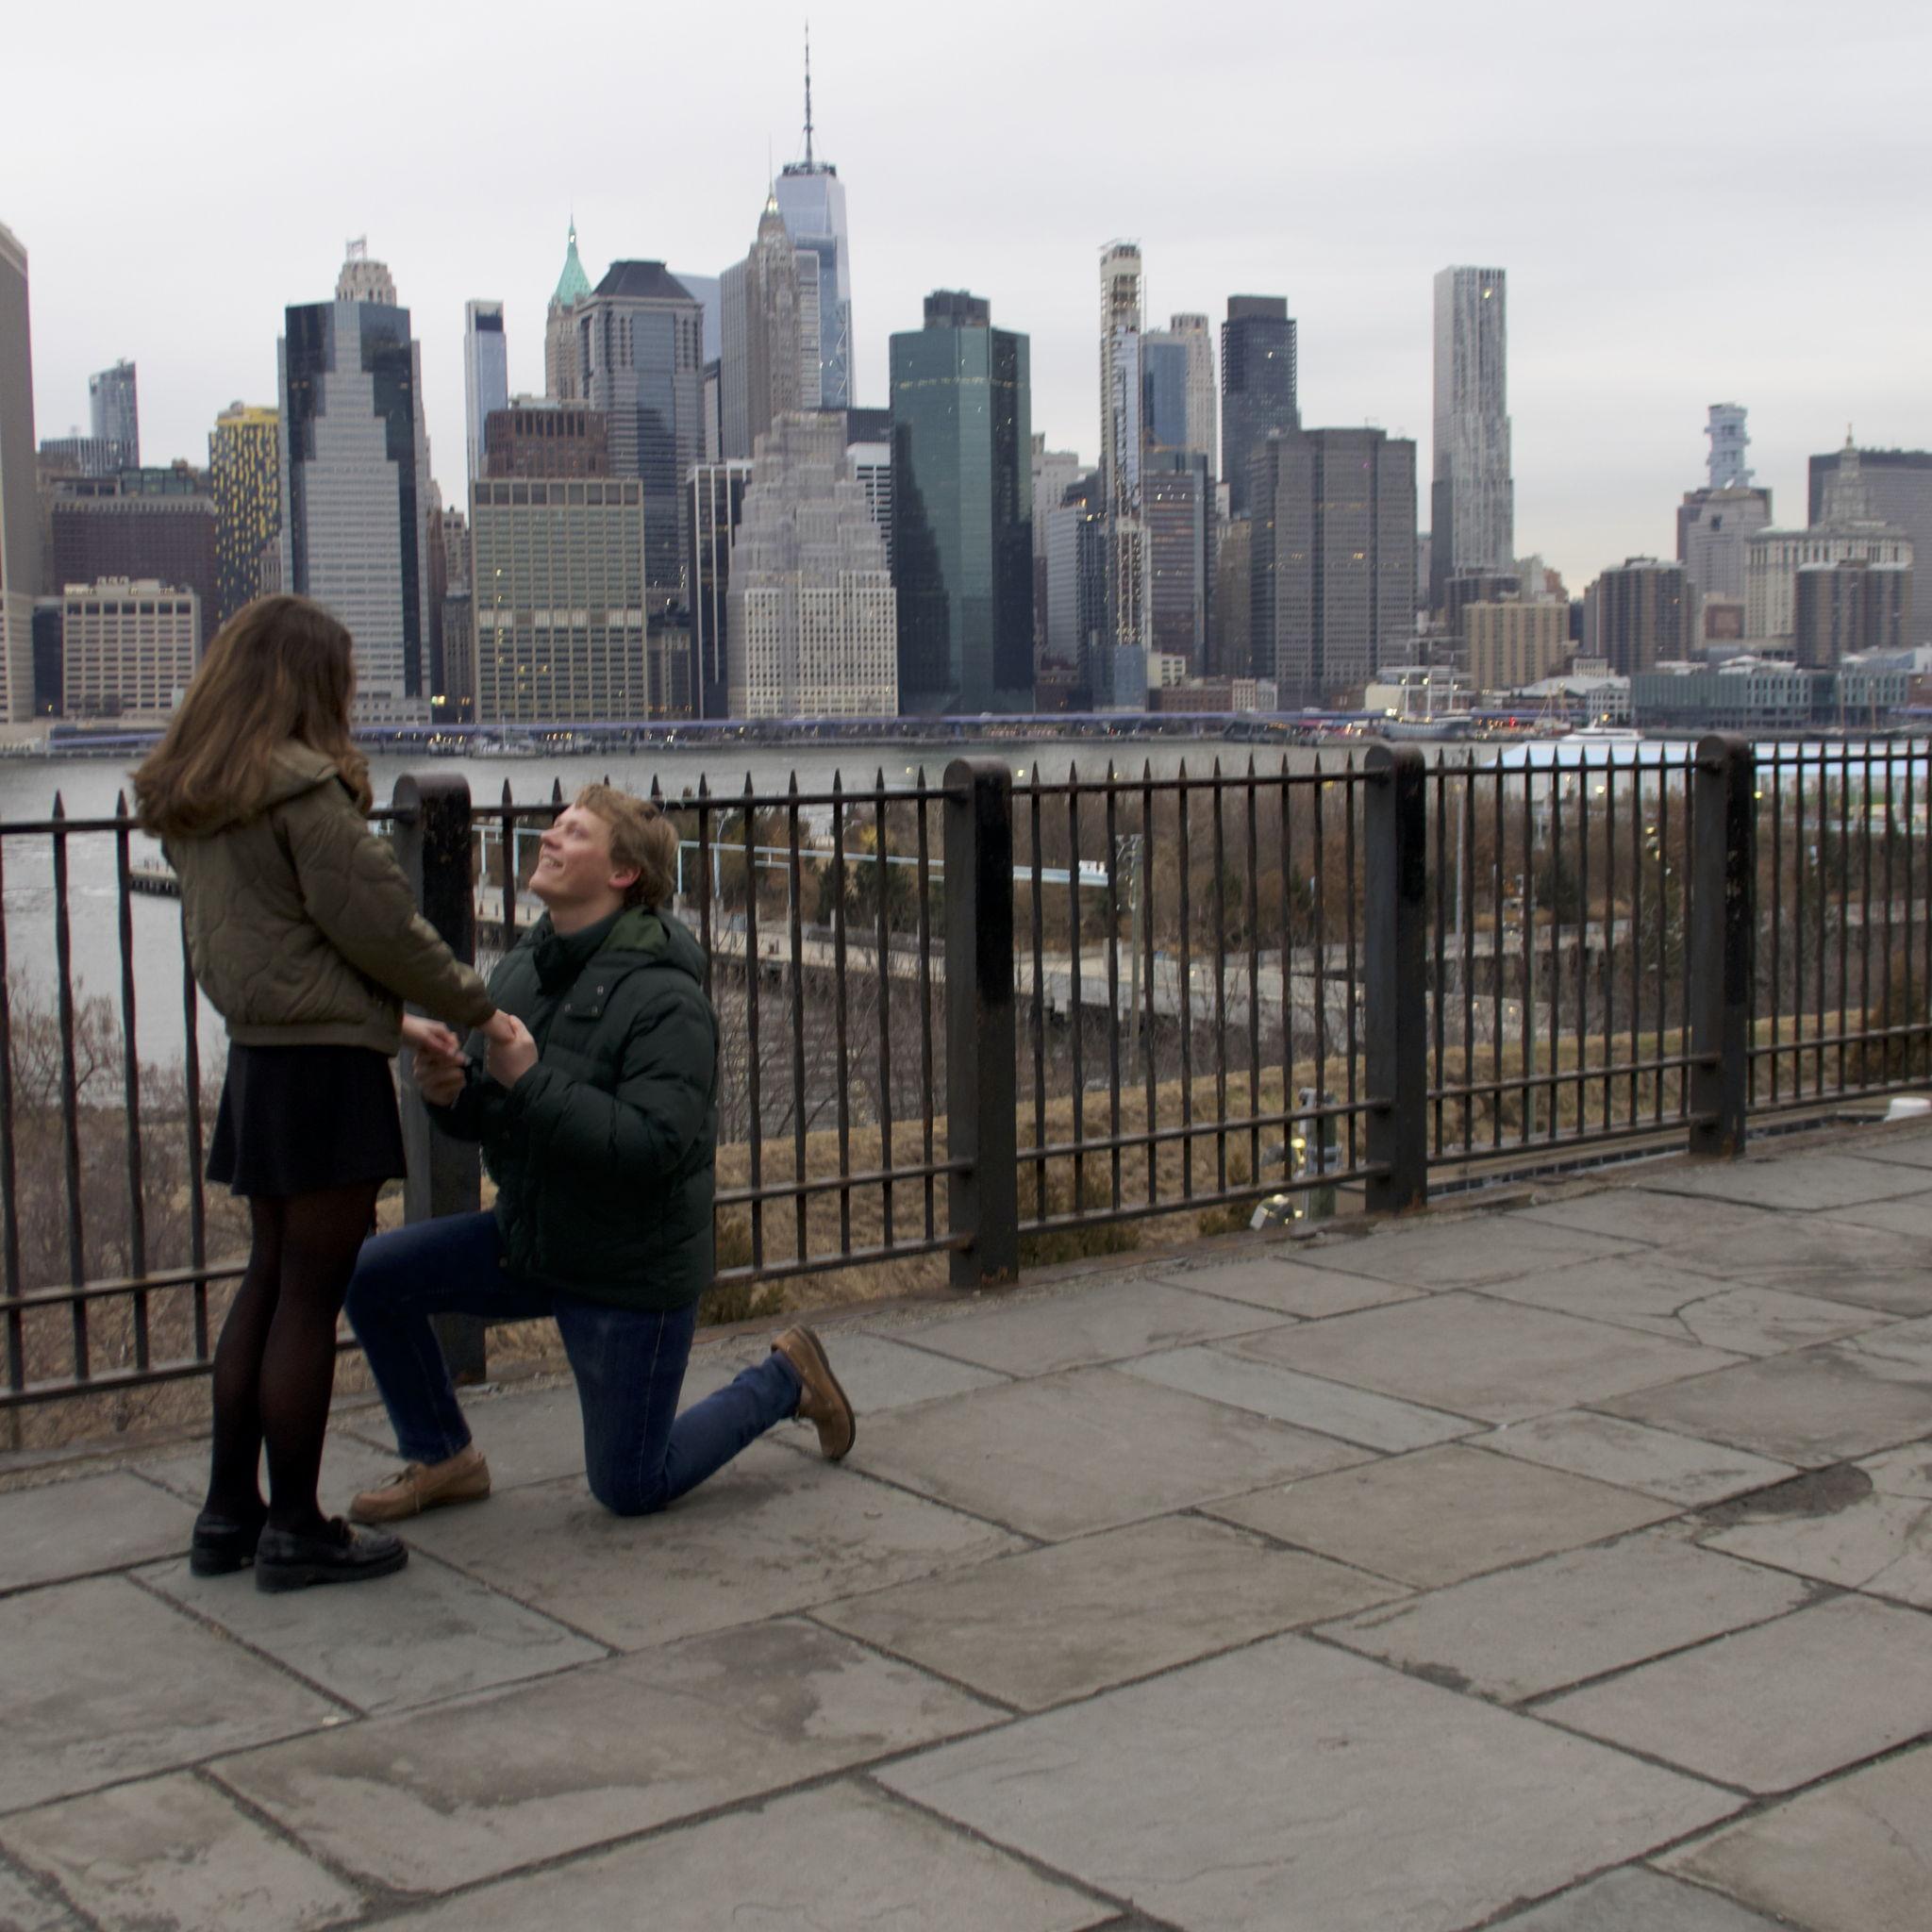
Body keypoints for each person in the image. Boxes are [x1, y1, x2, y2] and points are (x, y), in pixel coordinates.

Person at [341, 782, 854, 1527]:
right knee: (371, 1278)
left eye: (573, 833)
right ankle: (444, 1455)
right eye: (555, 826)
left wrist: (530, 1081)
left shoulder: (667, 1000)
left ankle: (784, 1379)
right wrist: (453, 1096)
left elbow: (652, 1149)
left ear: (622, 876)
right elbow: (509, 1117)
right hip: (538, 1239)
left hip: (627, 1269)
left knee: (630, 1487)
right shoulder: (523, 968)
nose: (549, 838)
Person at [134, 594, 514, 1592]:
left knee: (267, 1278)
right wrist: (476, 1005)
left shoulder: (200, 802)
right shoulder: (302, 795)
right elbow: (383, 928)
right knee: (310, 1292)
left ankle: (230, 1510)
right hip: (324, 1075)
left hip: (262, 1060)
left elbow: (275, 946)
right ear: (309, 684)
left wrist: (394, 1021)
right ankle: (298, 1525)